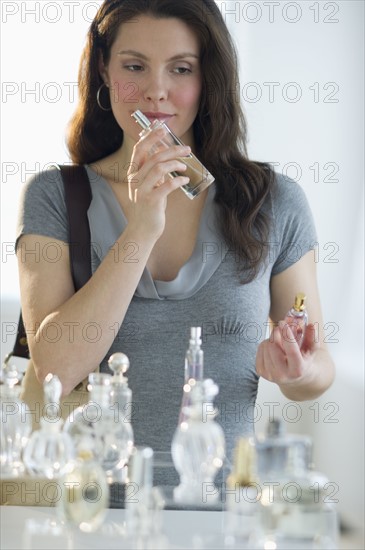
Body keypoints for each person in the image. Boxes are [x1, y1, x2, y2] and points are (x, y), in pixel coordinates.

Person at [16, 0, 334, 484]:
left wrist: (298, 371)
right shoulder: (55, 196)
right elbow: (54, 370)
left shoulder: (275, 202)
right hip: (88, 510)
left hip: (225, 510)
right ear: (103, 68)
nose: (155, 92)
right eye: (134, 66)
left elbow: (317, 367)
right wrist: (143, 226)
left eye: (181, 69)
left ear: (209, 80)